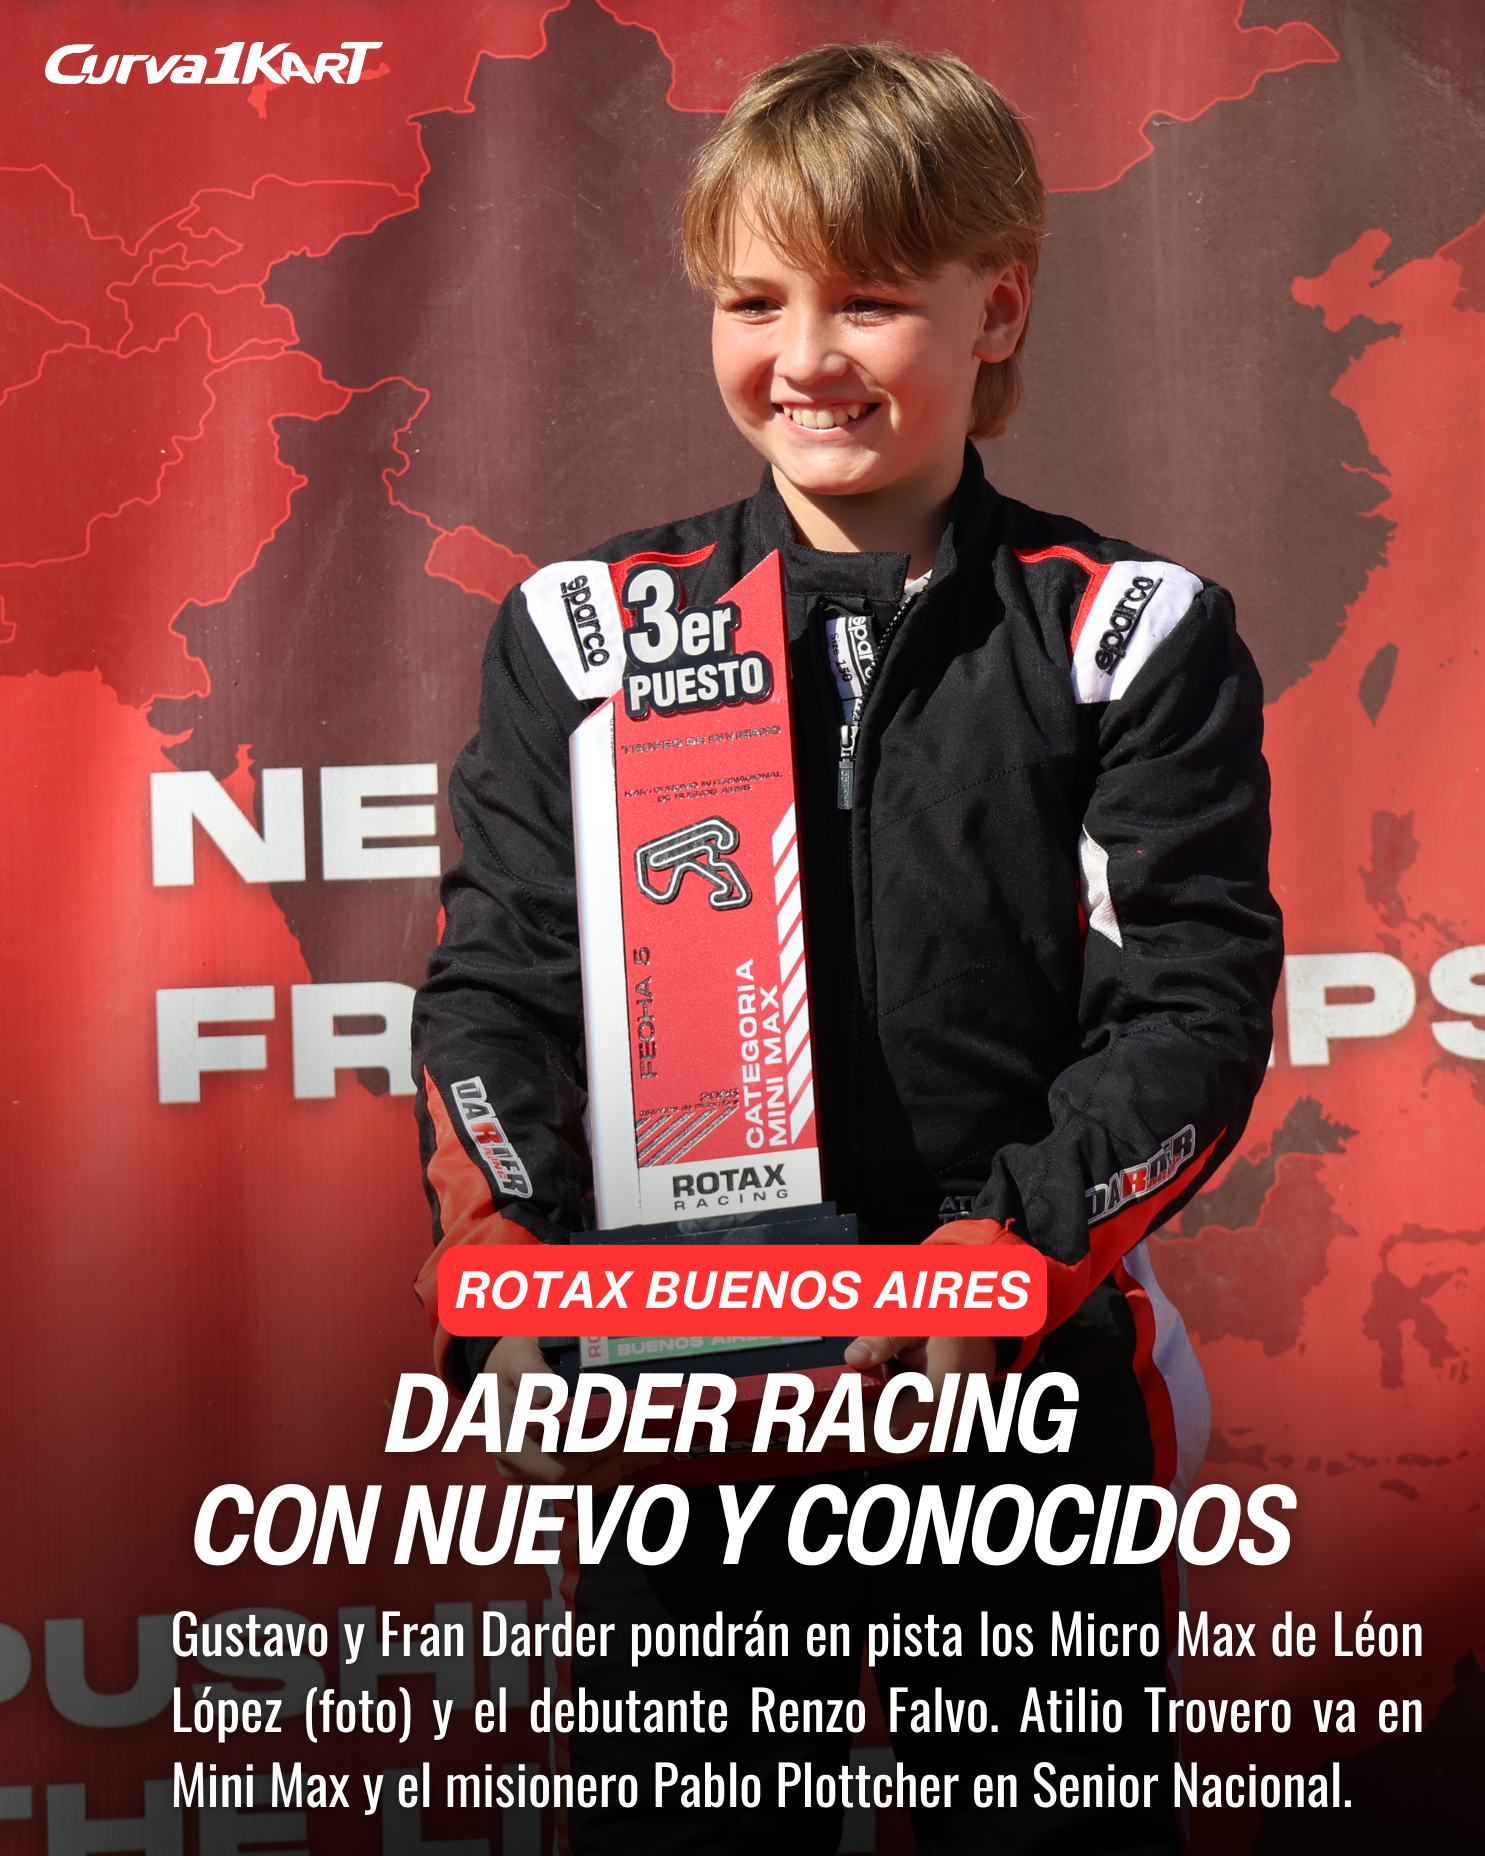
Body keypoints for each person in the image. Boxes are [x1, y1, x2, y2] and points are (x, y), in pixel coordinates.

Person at [412, 41, 1282, 1856]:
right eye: (755, 302)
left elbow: (1191, 1011)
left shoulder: (1129, 630)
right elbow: (501, 987)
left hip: (1020, 1396)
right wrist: (506, 1266)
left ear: (998, 307)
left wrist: (995, 1271)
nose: (804, 357)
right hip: (685, 1407)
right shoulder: (588, 629)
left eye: (870, 300)